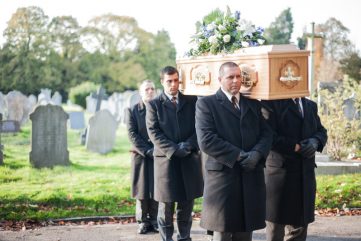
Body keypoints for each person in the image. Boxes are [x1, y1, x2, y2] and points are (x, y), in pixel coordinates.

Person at [195, 62, 273, 241]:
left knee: (245, 232)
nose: (236, 80)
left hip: (250, 174)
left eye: (239, 76)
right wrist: (238, 155)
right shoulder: (206, 104)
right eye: (230, 77)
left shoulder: (253, 104)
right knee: (222, 232)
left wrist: (257, 154)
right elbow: (206, 140)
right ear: (220, 79)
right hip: (223, 177)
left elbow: (267, 133)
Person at [145, 66, 204, 241]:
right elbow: (154, 132)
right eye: (169, 81)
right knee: (166, 206)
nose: (173, 84)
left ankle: (184, 237)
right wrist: (173, 149)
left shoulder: (191, 101)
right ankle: (167, 238)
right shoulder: (154, 104)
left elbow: (199, 127)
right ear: (162, 82)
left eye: (176, 80)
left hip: (188, 158)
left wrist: (188, 145)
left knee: (186, 204)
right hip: (166, 162)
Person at [261, 97, 327, 241]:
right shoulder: (270, 104)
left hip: (304, 175)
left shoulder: (310, 105)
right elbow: (268, 136)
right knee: (275, 228)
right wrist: (296, 147)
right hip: (280, 175)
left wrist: (315, 142)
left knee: (299, 227)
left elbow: (321, 130)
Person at [126, 80, 158, 234]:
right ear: (141, 92)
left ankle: (155, 220)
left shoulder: (160, 108)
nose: (150, 91)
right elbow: (132, 134)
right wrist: (147, 151)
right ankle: (142, 221)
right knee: (142, 190)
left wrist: (157, 149)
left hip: (158, 154)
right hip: (141, 155)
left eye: (152, 89)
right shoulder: (132, 111)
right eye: (147, 89)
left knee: (157, 188)